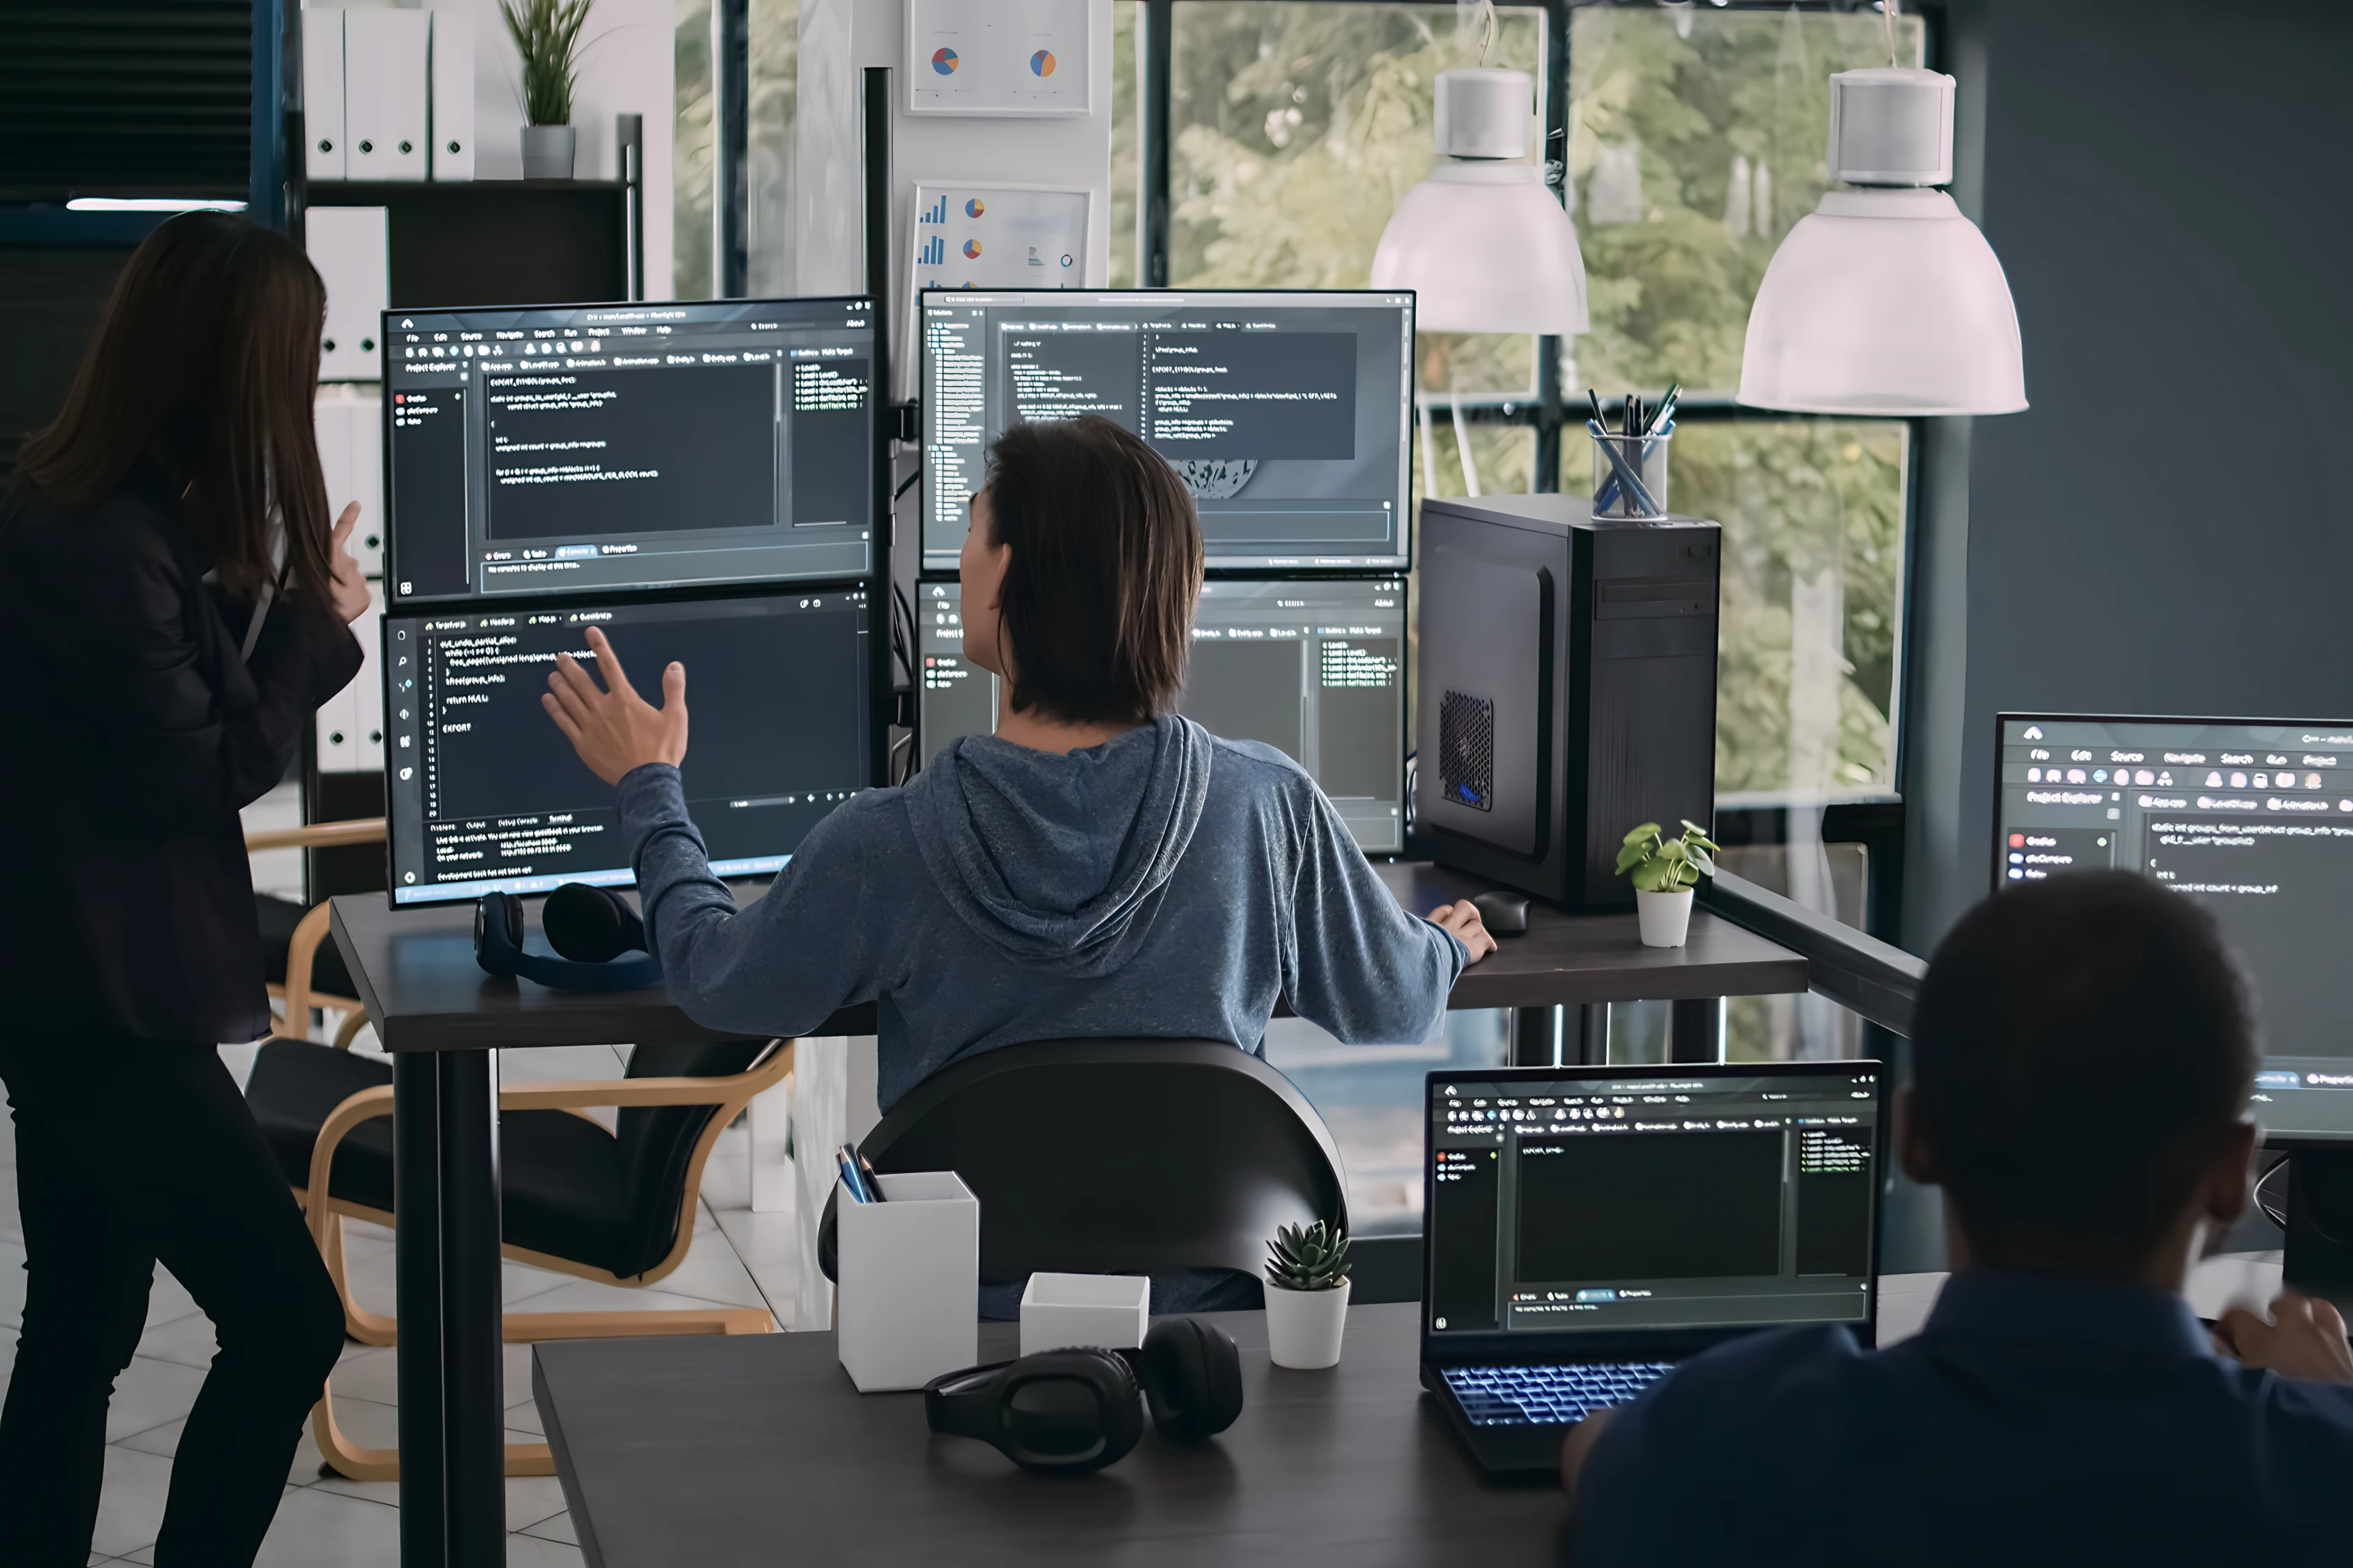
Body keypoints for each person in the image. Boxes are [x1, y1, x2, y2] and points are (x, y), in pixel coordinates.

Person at [540, 414, 1493, 1307]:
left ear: (1007, 578)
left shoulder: (887, 840)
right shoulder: (1266, 805)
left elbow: (715, 980)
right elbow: (1393, 999)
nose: (957, 563)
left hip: (957, 1336)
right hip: (1206, 1340)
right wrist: (1443, 946)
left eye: (971, 535)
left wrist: (650, 784)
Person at [1560, 871, 2353, 1563]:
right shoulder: (2327, 1469)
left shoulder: (1727, 1445)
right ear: (2230, 1171)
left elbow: (1599, 1456)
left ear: (1914, 1138)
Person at [0, 213, 369, 1565]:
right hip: (104, 1011)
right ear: (228, 361)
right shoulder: (95, 544)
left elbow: (185, 714)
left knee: (81, 1328)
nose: (311, 381)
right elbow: (204, 770)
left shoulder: (118, 510)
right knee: (287, 1323)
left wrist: (283, 602)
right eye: (302, 354)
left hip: (81, 989)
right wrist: (325, 630)